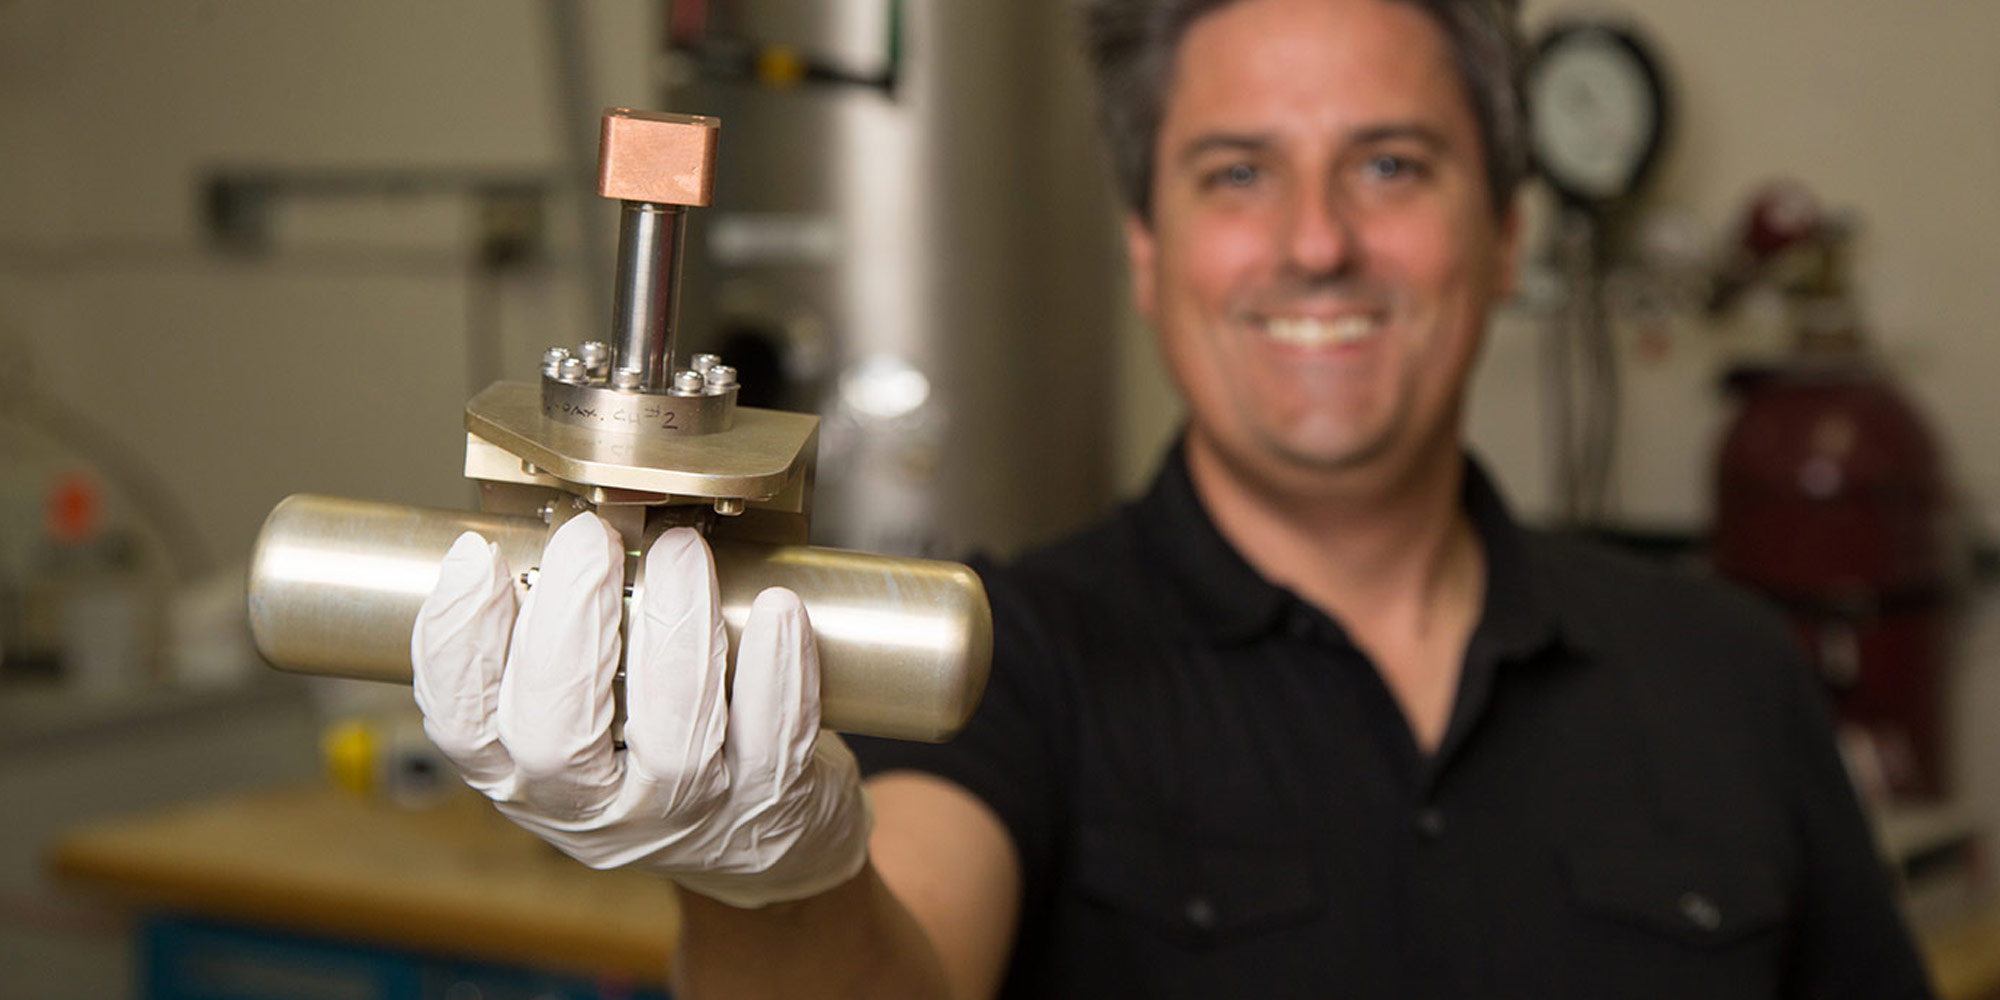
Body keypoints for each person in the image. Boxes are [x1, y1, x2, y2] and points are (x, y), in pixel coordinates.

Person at [410, 0, 1937, 996]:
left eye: (1392, 165)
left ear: (1504, 232)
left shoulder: (1730, 672)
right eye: (1235, 175)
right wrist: (768, 890)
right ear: (1148, 253)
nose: (1317, 244)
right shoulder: (996, 656)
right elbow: (896, 964)